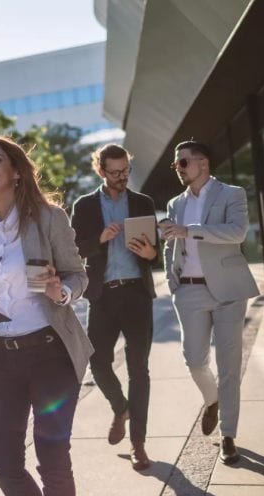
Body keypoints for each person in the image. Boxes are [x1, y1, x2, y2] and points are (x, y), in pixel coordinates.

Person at [0, 136, 93, 496]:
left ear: (16, 172)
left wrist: (60, 291)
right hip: (0, 358)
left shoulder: (49, 218)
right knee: (3, 462)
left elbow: (78, 275)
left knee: (52, 456)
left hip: (50, 352)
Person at [161, 140, 259, 465]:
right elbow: (170, 244)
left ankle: (228, 435)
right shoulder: (175, 202)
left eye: (183, 162)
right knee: (193, 360)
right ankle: (212, 399)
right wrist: (171, 280)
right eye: (176, 164)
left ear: (202, 163)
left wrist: (190, 230)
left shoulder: (232, 194)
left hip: (229, 289)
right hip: (188, 291)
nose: (178, 168)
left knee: (229, 365)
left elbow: (237, 233)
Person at [70, 144, 159, 471]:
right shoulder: (85, 206)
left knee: (139, 370)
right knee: (98, 362)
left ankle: (138, 443)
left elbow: (156, 254)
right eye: (115, 172)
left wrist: (150, 253)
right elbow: (75, 247)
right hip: (103, 296)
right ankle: (121, 407)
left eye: (126, 171)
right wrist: (102, 239)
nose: (122, 178)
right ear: (101, 171)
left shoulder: (143, 203)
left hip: (137, 294)